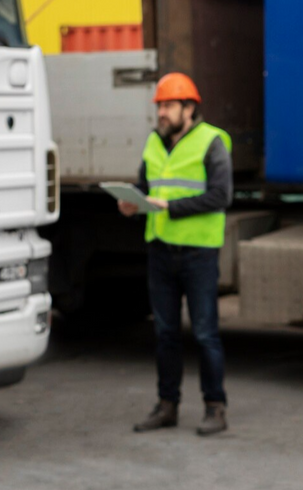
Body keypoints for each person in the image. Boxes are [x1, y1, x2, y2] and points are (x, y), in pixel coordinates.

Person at [118, 72, 233, 436]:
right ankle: (167, 406)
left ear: (188, 107)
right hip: (161, 251)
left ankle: (215, 407)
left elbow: (220, 196)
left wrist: (166, 204)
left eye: (168, 106)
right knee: (165, 332)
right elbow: (144, 186)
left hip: (199, 253)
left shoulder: (212, 141)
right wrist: (132, 202)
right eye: (159, 107)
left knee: (204, 333)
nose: (162, 113)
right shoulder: (154, 142)